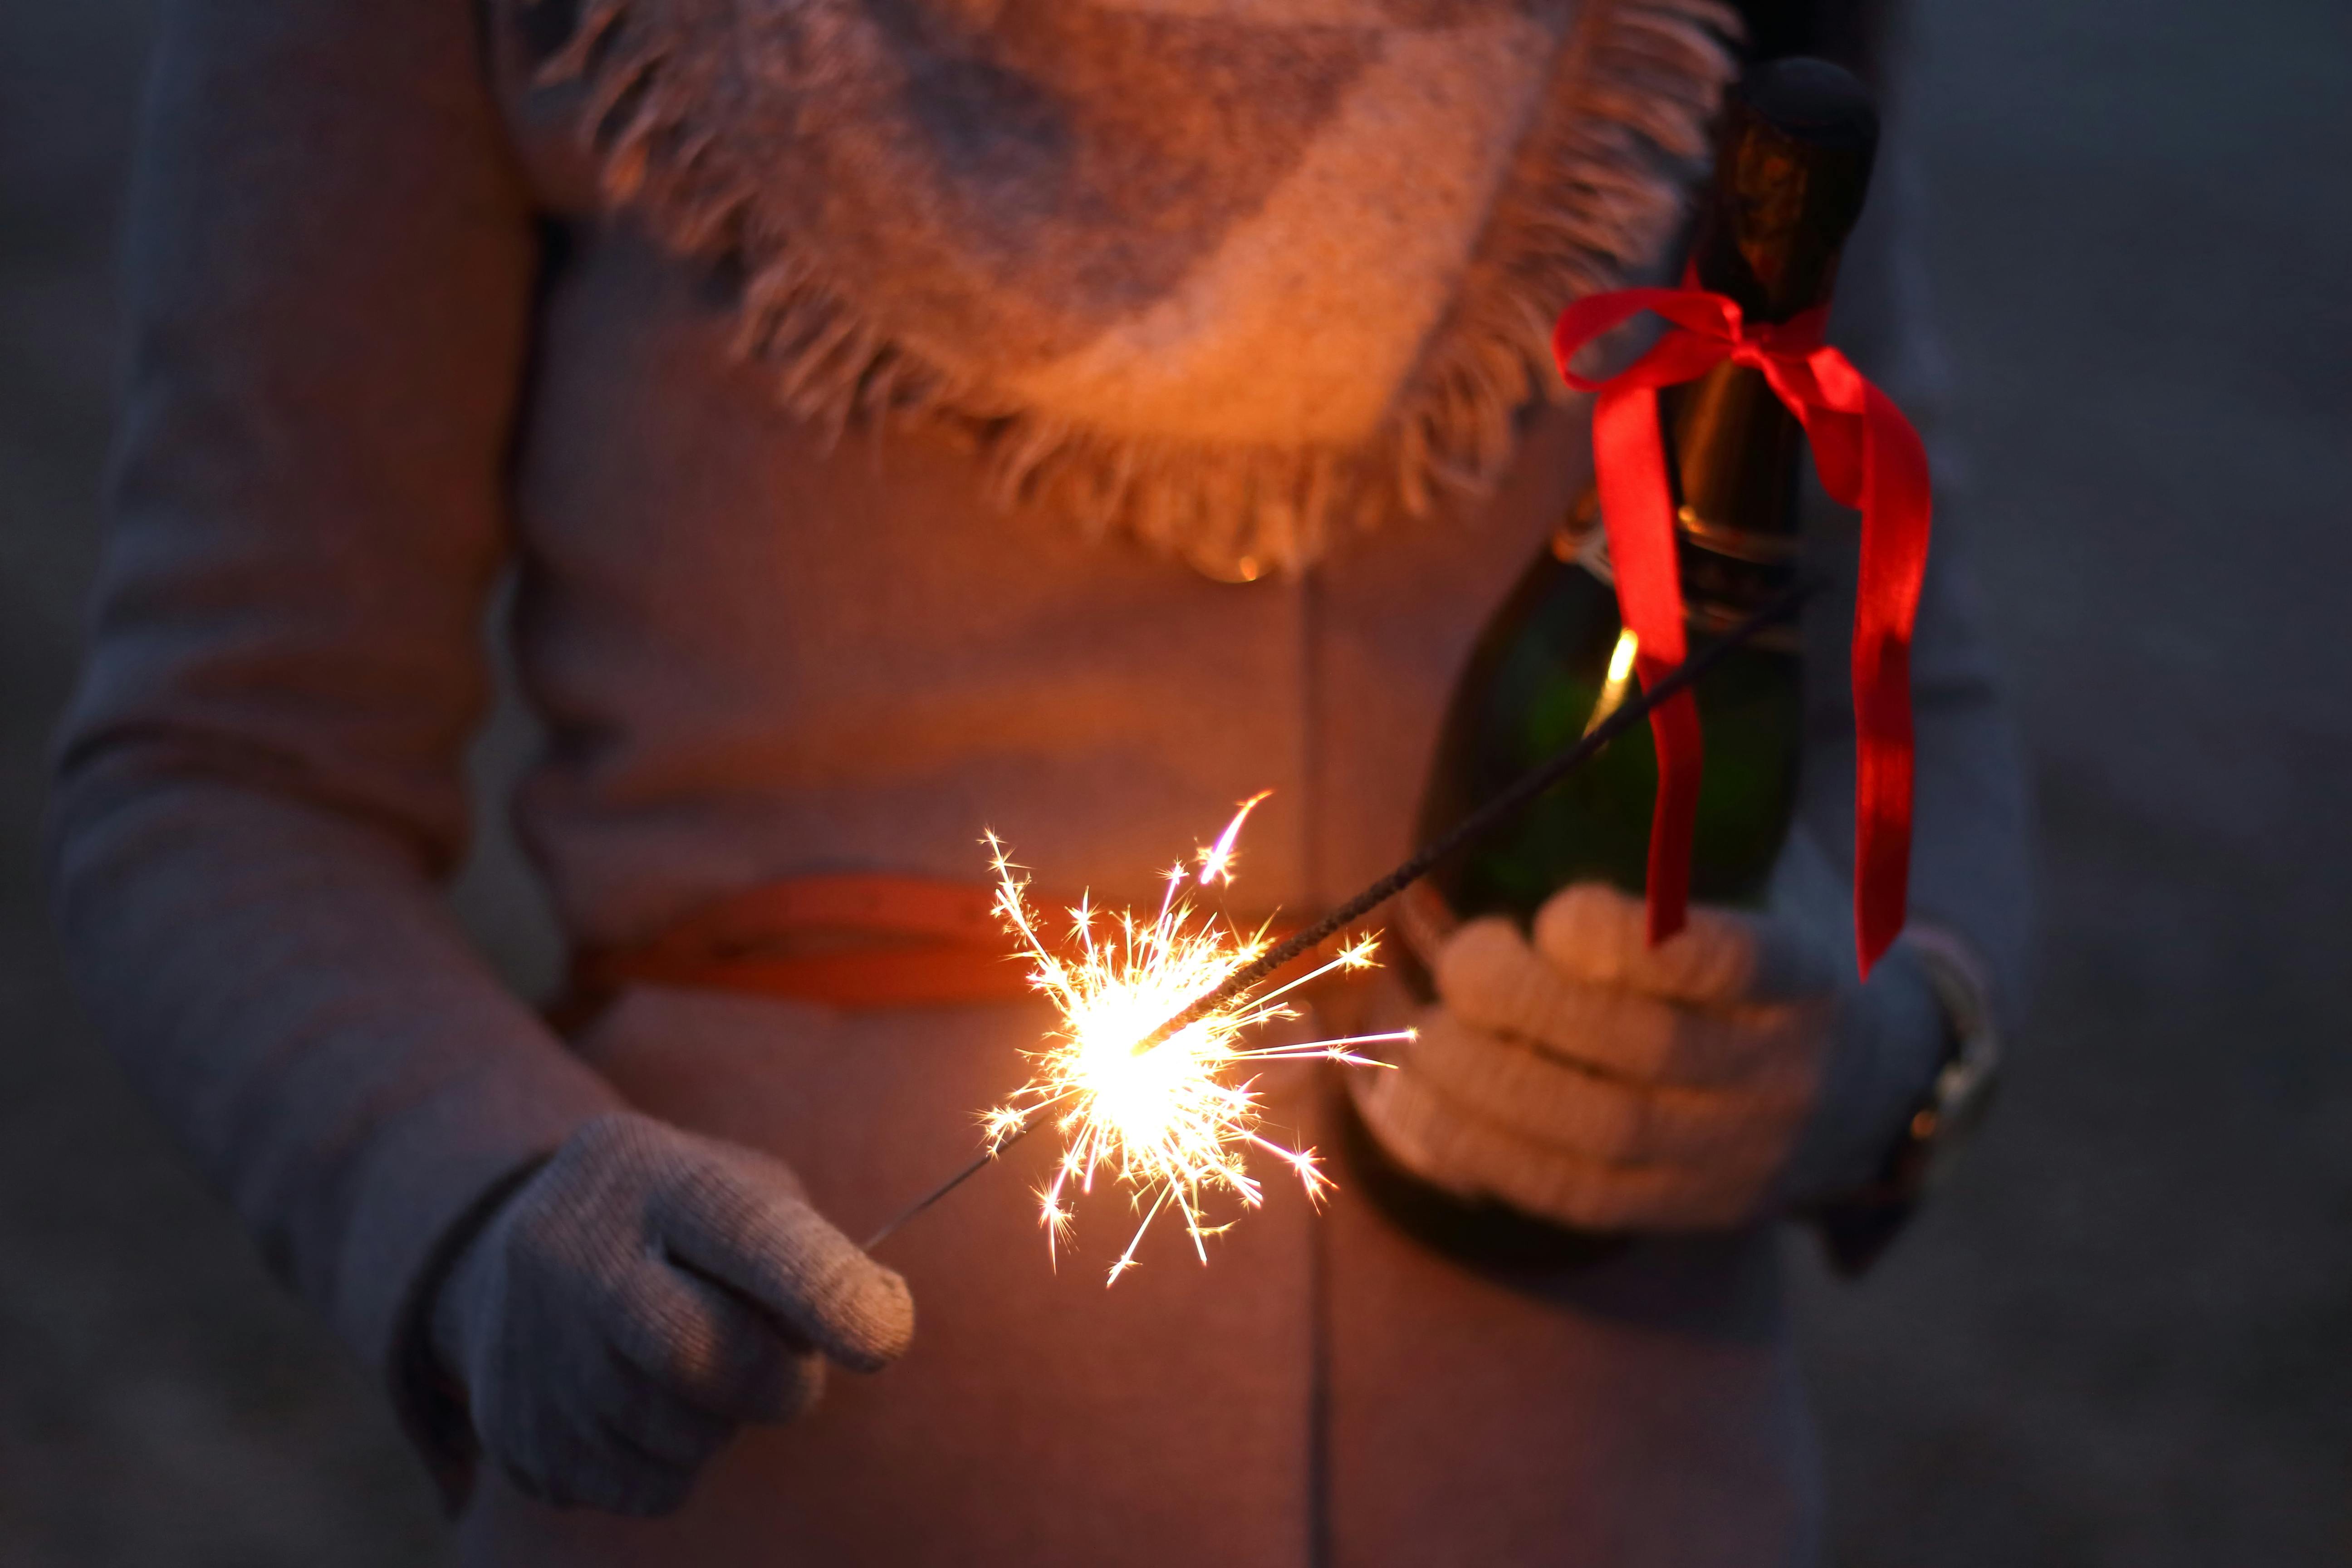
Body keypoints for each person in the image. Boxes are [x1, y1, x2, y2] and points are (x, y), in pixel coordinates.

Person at [47, 0, 2027, 1561]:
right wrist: (478, 1199)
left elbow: (1904, 689)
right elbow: (227, 771)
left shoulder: (1710, 33)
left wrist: (1878, 1057)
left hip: (1606, 1494)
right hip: (791, 1502)